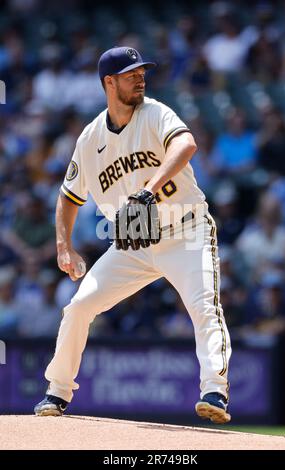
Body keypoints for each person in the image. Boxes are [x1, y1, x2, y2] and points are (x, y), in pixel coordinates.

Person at [34, 46, 232, 424]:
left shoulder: (155, 113)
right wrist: (64, 246)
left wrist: (147, 190)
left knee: (204, 307)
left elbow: (186, 144)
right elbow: (68, 196)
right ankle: (57, 393)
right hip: (132, 244)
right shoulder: (90, 139)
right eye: (131, 74)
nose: (140, 77)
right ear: (109, 82)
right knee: (78, 307)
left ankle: (214, 392)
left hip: (186, 231)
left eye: (142, 71)